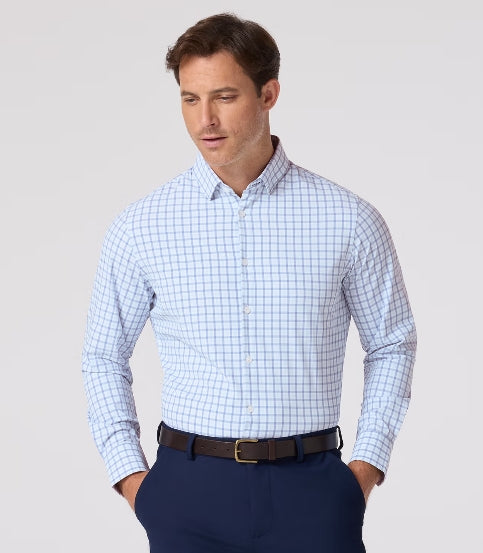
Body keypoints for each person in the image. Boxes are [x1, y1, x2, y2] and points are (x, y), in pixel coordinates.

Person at [82, 12, 416, 553]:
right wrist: (132, 479)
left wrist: (364, 469)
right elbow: (102, 355)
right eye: (190, 99)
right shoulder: (141, 226)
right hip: (188, 491)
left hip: (313, 490)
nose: (205, 120)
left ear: (268, 94)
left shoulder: (349, 220)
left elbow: (392, 343)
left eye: (224, 96)